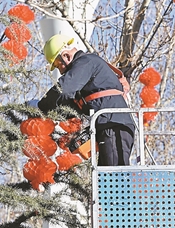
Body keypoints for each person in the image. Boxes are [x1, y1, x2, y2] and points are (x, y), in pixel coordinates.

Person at [32, 34, 135, 167]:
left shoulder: (85, 62)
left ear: (66, 56)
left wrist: (40, 107)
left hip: (113, 124)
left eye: (58, 65)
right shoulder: (85, 74)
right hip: (110, 124)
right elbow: (70, 106)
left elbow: (63, 89)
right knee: (104, 177)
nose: (60, 71)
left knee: (114, 174)